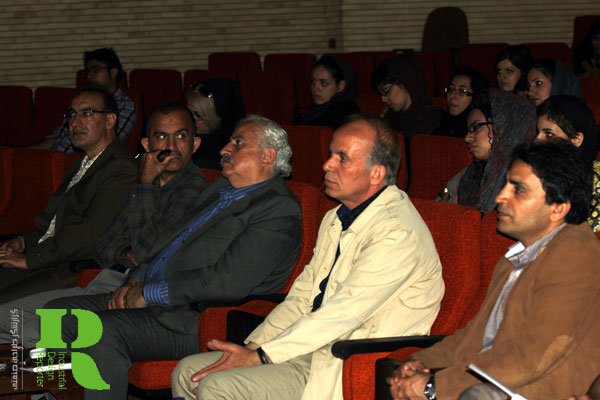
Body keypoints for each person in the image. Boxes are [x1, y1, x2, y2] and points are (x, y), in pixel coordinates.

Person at [172, 114, 444, 400]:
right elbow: (303, 297)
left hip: (349, 362)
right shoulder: (336, 218)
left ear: (376, 173)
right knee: (186, 372)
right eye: (330, 155)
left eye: (342, 158)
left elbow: (343, 313)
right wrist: (254, 346)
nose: (327, 165)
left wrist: (262, 356)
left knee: (216, 386)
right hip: (307, 346)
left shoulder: (398, 233)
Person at [45, 115, 302, 400]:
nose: (224, 149)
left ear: (268, 156)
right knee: (55, 315)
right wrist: (137, 279)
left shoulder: (277, 209)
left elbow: (227, 282)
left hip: (195, 319)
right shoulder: (220, 188)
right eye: (229, 141)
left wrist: (148, 294)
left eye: (238, 143)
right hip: (154, 297)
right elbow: (169, 241)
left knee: (98, 331)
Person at [388, 141, 600, 400]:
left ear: (558, 207)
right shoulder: (516, 257)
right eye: (506, 185)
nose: (501, 196)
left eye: (518, 189)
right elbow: (474, 336)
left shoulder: (576, 254)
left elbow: (534, 355)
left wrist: (435, 386)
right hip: (492, 384)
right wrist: (420, 362)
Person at [0, 102, 208, 347]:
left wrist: (143, 185)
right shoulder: (147, 186)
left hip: (137, 292)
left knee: (33, 329)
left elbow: (144, 253)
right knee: (6, 318)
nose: (171, 146)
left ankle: (57, 370)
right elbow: (103, 246)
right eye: (161, 137)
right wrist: (126, 252)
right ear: (147, 145)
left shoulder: (193, 191)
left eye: (181, 136)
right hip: (105, 278)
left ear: (195, 144)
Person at [0, 85, 137, 302]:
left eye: (87, 113)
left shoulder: (121, 168)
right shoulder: (79, 165)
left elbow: (88, 235)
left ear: (110, 121)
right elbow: (52, 222)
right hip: (48, 257)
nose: (75, 121)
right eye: (72, 114)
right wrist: (23, 241)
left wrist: (30, 258)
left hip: (73, 269)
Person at [438, 89, 536, 214]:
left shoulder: (527, 180)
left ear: (502, 126)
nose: (467, 138)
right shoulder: (468, 175)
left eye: (476, 127)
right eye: (468, 130)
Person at [32, 48, 137, 154]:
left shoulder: (124, 105)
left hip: (79, 159)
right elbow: (56, 137)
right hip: (54, 157)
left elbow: (107, 143)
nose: (89, 76)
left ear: (113, 73)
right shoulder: (79, 102)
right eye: (87, 72)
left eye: (96, 70)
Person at [534, 95, 600, 231]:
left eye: (549, 135)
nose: (537, 141)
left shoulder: (596, 179)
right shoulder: (532, 174)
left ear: (576, 139)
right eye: (538, 132)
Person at [186, 78, 246, 170]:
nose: (190, 121)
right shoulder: (188, 138)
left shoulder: (233, 153)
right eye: (188, 113)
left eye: (198, 115)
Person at [294, 55, 360, 130]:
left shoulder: (345, 112)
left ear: (340, 86)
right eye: (313, 82)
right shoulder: (312, 111)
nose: (316, 88)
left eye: (324, 83)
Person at [433, 66, 489, 138]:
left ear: (476, 97)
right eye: (451, 89)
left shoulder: (479, 134)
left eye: (462, 91)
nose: (452, 95)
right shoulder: (438, 124)